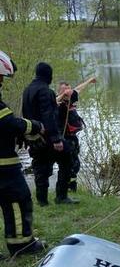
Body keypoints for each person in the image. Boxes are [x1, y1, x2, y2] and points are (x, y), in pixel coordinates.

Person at [0, 50, 47, 256]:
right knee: (18, 198)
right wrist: (33, 126)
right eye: (1, 77)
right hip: (3, 166)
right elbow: (8, 123)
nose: (2, 81)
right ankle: (22, 244)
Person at [21, 62, 76, 206]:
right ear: (48, 75)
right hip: (48, 137)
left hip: (33, 137)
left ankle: (42, 201)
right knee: (67, 158)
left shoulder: (27, 90)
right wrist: (56, 139)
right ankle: (61, 197)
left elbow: (24, 114)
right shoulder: (45, 91)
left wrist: (27, 136)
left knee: (40, 167)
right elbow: (48, 116)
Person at [57, 82, 85, 194]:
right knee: (68, 164)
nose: (68, 92)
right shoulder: (57, 103)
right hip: (64, 138)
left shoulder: (71, 100)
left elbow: (78, 89)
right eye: (64, 90)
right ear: (60, 91)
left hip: (73, 138)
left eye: (69, 90)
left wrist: (89, 80)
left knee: (76, 164)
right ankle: (67, 188)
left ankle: (71, 187)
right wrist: (63, 95)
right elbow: (54, 101)